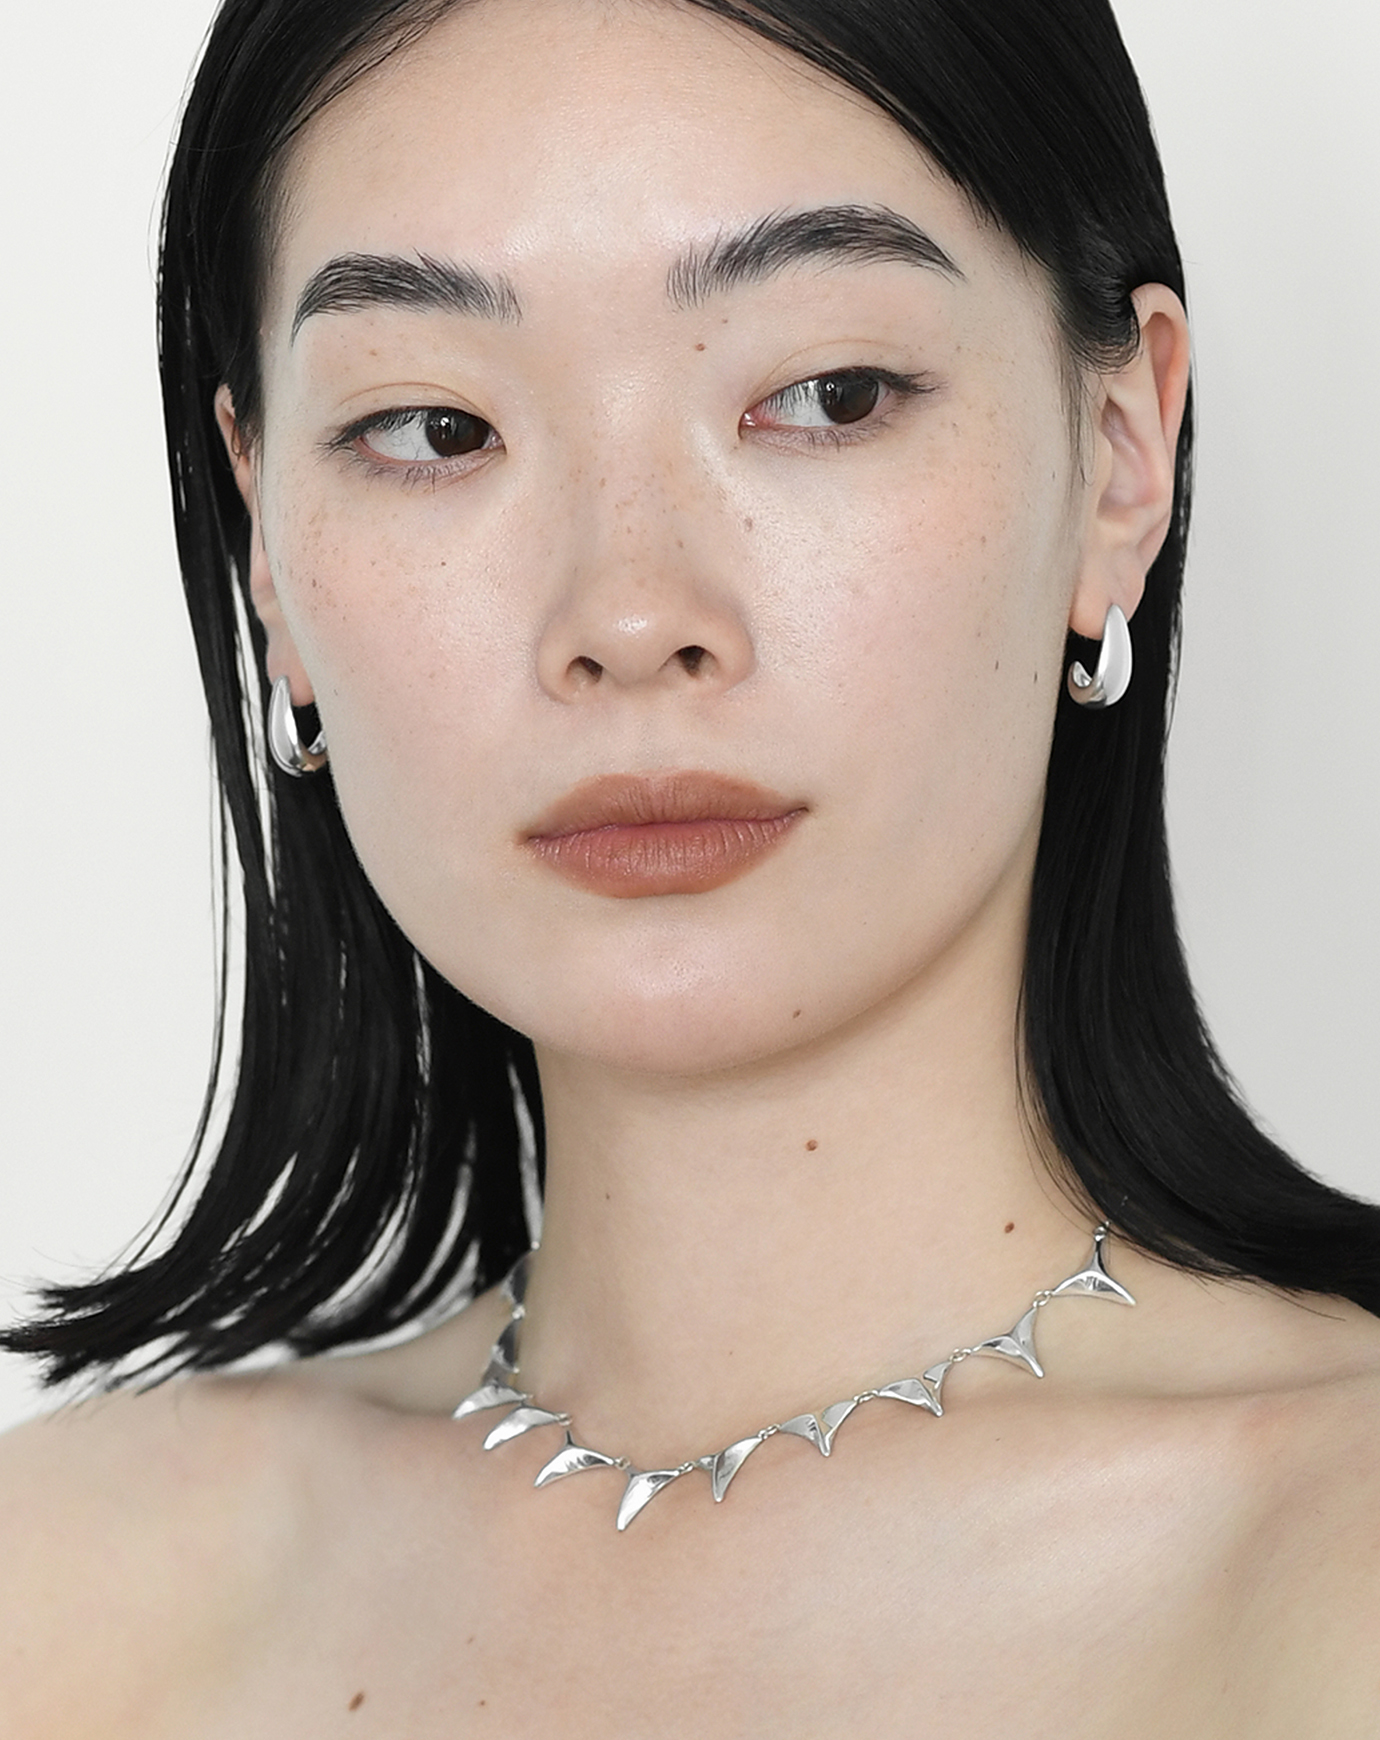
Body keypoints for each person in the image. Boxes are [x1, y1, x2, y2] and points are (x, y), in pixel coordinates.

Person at [3, 0, 1379, 1731]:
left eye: (826, 396)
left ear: (1120, 459)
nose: (633, 615)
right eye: (434, 429)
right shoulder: (60, 1590)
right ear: (265, 549)